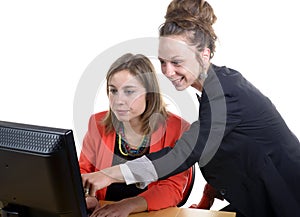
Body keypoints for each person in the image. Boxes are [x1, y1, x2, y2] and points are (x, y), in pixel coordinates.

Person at [81, 1, 300, 217]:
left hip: (286, 198)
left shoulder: (226, 92)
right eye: (163, 62)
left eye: (177, 62)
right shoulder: (216, 88)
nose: (167, 71)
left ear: (204, 55)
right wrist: (208, 196)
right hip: (255, 196)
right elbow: (227, 147)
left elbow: (183, 154)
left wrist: (109, 175)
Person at [79, 53, 194, 217]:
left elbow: (172, 189)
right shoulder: (97, 123)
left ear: (149, 93)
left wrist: (127, 206)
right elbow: (83, 171)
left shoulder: (178, 128)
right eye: (113, 90)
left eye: (129, 91)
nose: (118, 100)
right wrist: (88, 197)